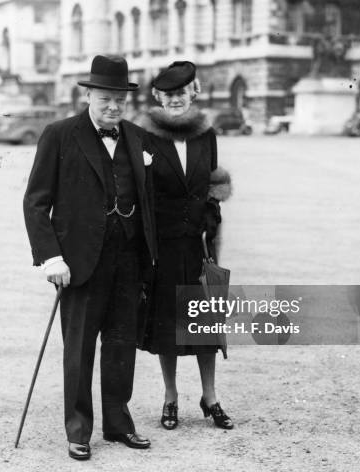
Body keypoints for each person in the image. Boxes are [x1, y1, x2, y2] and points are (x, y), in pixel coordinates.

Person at [23, 55, 156, 461]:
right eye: (105, 98)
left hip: (128, 261)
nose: (113, 106)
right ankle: (78, 429)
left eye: (120, 99)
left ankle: (118, 423)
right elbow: (35, 202)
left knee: (121, 346)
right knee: (79, 351)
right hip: (79, 265)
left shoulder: (135, 137)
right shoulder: (60, 134)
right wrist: (51, 258)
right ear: (89, 96)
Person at [137, 61, 233, 431]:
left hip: (197, 243)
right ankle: (170, 396)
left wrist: (212, 211)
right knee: (167, 323)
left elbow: (212, 179)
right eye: (168, 94)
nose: (175, 99)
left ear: (193, 93)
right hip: (162, 244)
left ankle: (210, 397)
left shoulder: (204, 133)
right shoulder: (144, 135)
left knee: (204, 322)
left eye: (182, 92)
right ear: (158, 96)